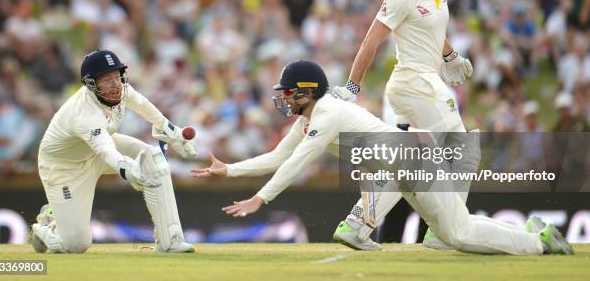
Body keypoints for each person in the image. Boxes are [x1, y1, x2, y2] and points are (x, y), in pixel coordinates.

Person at [192, 59, 572, 255]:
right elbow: (277, 157)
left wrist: (261, 198)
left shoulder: (327, 113)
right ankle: (531, 233)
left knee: (458, 234)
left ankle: (539, 242)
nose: (284, 99)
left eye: (289, 92)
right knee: (453, 233)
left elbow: (296, 164)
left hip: (416, 163)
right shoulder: (311, 117)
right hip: (403, 171)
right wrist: (228, 171)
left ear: (308, 91)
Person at [331, 0, 476, 250]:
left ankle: (357, 224)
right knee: (463, 150)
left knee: (410, 161)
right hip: (414, 83)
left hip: (424, 83)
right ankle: (445, 230)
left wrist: (450, 57)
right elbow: (371, 41)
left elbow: (434, 32)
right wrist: (352, 87)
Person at [30, 50, 196, 253]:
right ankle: (51, 221)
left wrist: (174, 132)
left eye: (117, 77)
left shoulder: (122, 90)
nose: (116, 85)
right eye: (107, 80)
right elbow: (105, 149)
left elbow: (144, 106)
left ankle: (170, 240)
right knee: (75, 245)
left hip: (95, 151)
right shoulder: (83, 113)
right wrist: (126, 168)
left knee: (152, 158)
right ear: (91, 84)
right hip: (64, 169)